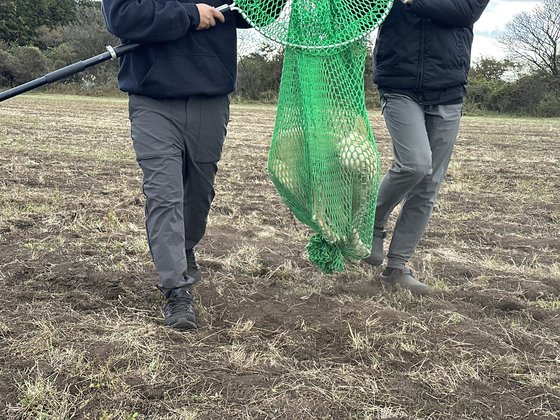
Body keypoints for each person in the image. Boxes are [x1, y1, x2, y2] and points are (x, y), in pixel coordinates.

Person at [102, 0, 250, 330]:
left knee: (199, 192)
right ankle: (176, 288)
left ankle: (183, 247)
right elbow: (121, 16)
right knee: (164, 193)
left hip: (211, 95)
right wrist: (189, 14)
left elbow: (252, 14)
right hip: (151, 98)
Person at [364, 0, 490, 294]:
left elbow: (466, 11)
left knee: (429, 183)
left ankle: (397, 267)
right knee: (415, 164)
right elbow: (363, 12)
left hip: (448, 87)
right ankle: (372, 223)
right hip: (399, 82)